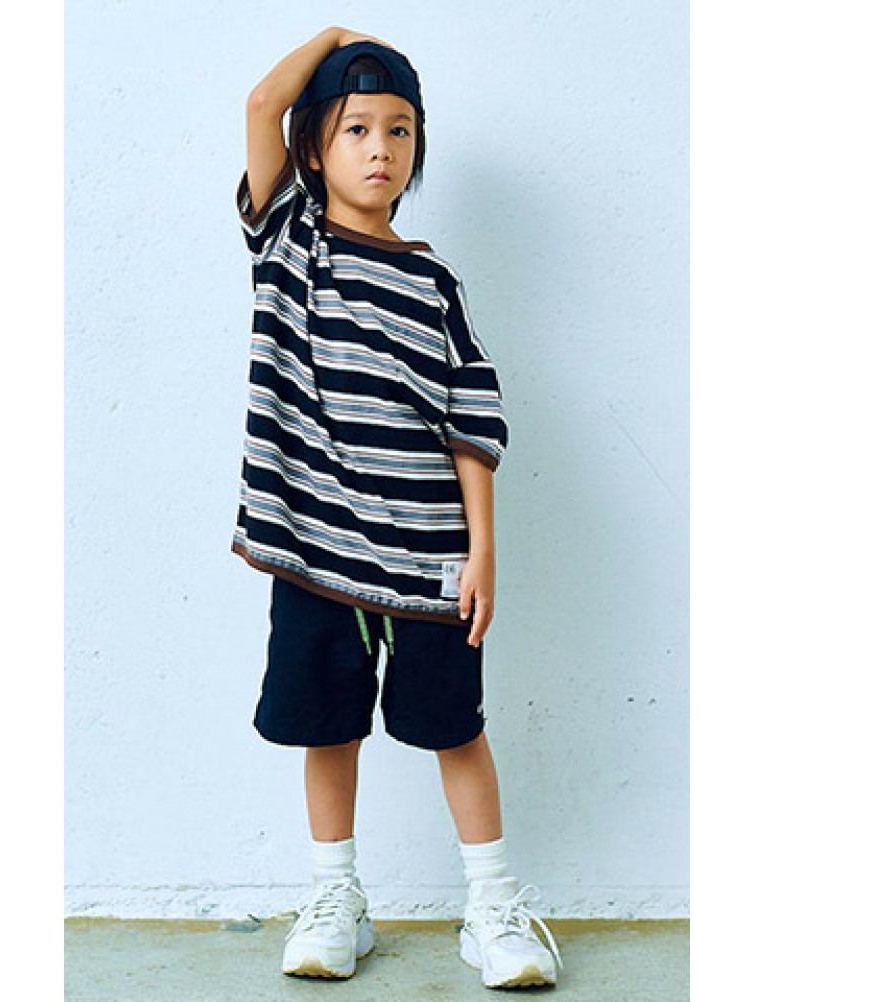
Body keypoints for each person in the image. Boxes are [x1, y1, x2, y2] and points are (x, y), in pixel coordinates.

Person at [232, 26, 564, 990]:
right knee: (326, 727)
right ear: (313, 149)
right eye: (356, 128)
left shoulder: (433, 284)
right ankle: (336, 898)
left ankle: (492, 907)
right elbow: (262, 105)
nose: (381, 148)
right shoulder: (289, 239)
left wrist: (483, 549)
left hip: (429, 554)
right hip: (317, 548)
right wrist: (338, 37)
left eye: (400, 130)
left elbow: (471, 420)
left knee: (453, 726)